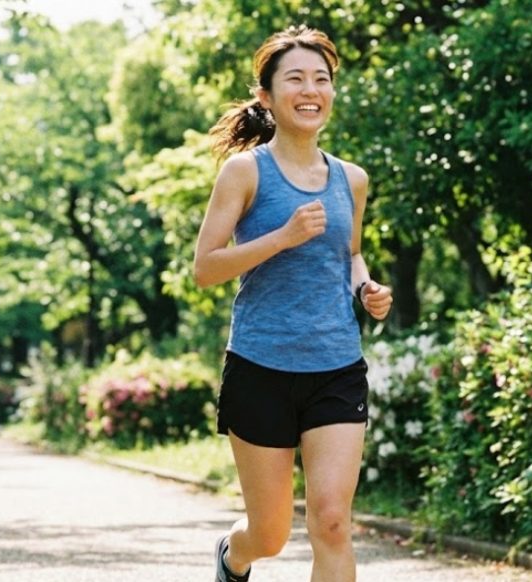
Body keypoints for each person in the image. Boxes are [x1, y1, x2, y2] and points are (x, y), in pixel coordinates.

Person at [194, 25, 393, 582]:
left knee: (332, 522)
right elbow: (205, 268)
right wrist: (279, 237)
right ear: (266, 96)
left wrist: (366, 288)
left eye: (322, 79)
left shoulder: (351, 180)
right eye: (296, 79)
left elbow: (349, 255)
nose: (311, 90)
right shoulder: (245, 172)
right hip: (261, 365)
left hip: (336, 365)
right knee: (272, 533)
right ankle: (234, 558)